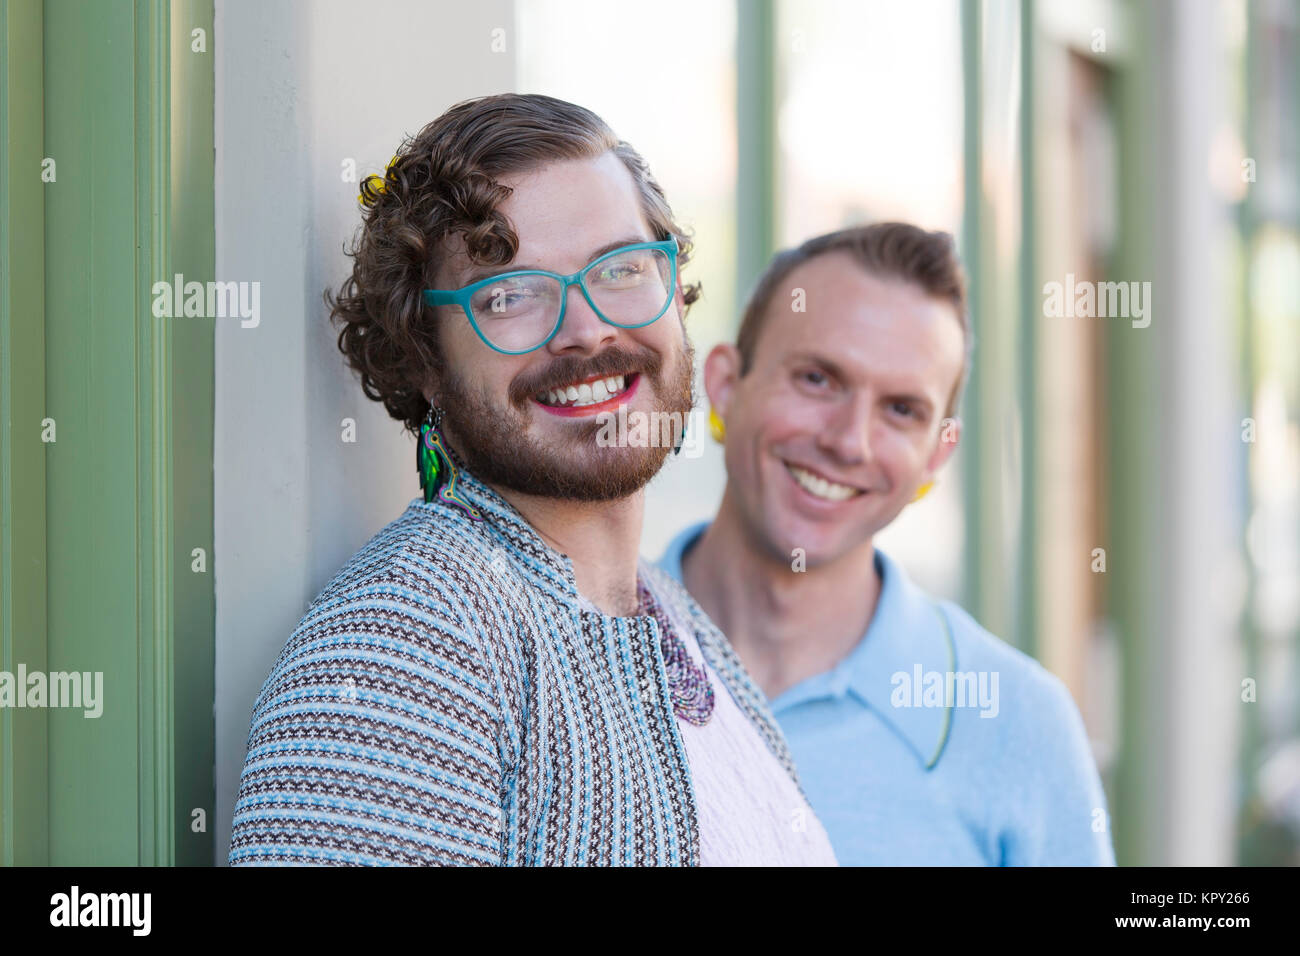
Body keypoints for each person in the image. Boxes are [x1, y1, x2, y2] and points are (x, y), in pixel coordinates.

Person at [228, 93, 837, 867]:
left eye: (620, 269)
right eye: (510, 295)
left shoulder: (671, 614)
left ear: (674, 291)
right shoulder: (403, 646)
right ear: (426, 361)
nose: (585, 329)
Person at [658, 223, 1116, 865]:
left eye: (902, 410)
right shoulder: (571, 655)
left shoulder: (1019, 724)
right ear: (727, 385)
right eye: (817, 379)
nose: (850, 441)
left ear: (937, 455)